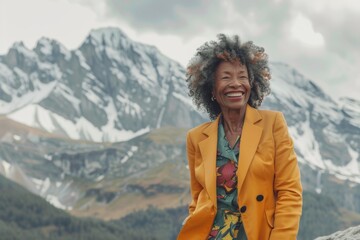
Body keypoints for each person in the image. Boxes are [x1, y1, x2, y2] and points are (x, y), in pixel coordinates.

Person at [177, 34, 302, 240]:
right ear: (212, 90)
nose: (236, 84)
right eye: (226, 77)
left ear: (252, 83)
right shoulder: (196, 137)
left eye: (242, 77)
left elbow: (289, 193)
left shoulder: (273, 124)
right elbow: (198, 199)